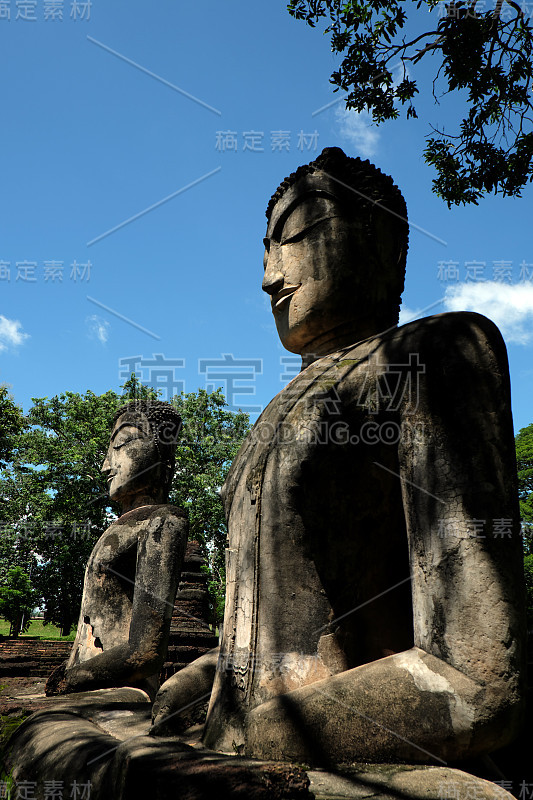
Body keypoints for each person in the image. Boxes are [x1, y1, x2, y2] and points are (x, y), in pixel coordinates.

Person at [154, 148, 526, 767]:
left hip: (334, 754)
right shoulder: (272, 415)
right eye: (266, 249)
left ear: (383, 243)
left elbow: (478, 680)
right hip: (234, 748)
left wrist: (279, 729)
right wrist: (220, 673)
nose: (271, 277)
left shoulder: (434, 355)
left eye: (295, 238)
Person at [46, 400, 187, 700]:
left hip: (121, 691)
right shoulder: (118, 529)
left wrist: (71, 680)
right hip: (86, 686)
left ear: (162, 460)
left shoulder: (162, 522)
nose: (106, 465)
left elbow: (145, 651)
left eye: (121, 444)